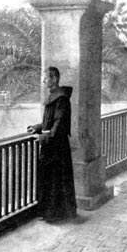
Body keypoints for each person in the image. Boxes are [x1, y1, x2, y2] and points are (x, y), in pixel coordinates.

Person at [27, 66, 77, 223]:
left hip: (57, 147)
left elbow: (59, 124)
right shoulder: (55, 97)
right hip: (52, 145)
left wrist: (43, 138)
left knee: (56, 180)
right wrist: (37, 127)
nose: (44, 81)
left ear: (55, 79)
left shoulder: (61, 98)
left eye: (46, 78)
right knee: (51, 179)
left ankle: (56, 215)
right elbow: (49, 121)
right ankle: (50, 213)